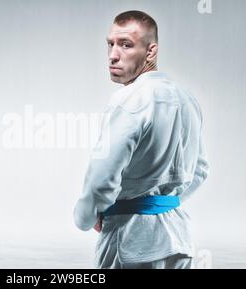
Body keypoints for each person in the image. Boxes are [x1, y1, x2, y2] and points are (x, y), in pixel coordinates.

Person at [73, 10, 210, 269]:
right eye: (110, 44)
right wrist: (162, 201)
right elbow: (200, 170)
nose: (113, 55)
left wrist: (86, 217)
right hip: (178, 239)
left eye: (126, 45)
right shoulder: (188, 100)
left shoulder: (129, 101)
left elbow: (101, 179)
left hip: (131, 240)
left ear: (150, 51)